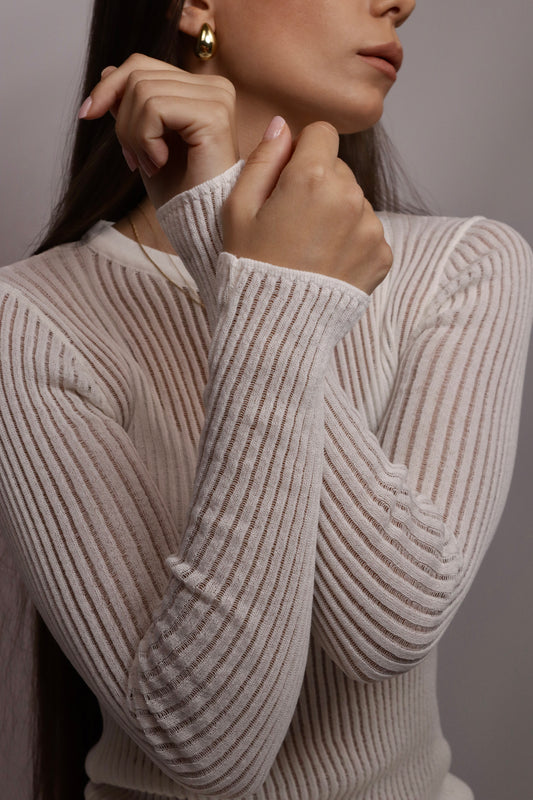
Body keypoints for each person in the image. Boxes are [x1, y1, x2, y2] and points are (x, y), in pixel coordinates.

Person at [1, 0, 532, 798]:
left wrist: (222, 249)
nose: (402, 2)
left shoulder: (464, 267)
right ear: (197, 4)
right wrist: (250, 273)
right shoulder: (30, 318)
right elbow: (209, 751)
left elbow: (388, 627)